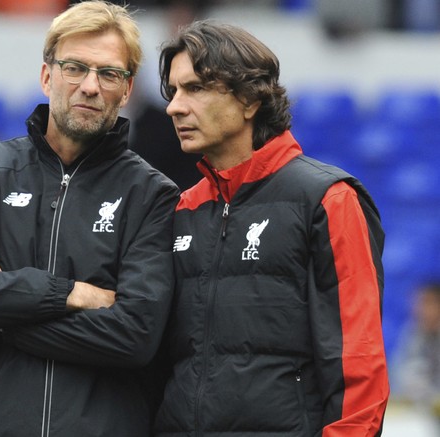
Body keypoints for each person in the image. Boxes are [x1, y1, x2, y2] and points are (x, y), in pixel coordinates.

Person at [0, 2, 179, 436]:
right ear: (47, 76)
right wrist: (72, 293)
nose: (90, 86)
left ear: (127, 89)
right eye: (75, 68)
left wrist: (1, 311)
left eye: (109, 73)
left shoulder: (151, 194)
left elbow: (134, 336)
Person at [153, 20, 389, 436]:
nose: (175, 106)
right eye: (173, 91)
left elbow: (358, 357)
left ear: (249, 99)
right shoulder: (183, 208)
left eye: (195, 88)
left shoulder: (327, 199)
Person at [391, 281, 440, 410]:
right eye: (419, 303)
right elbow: (402, 372)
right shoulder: (413, 332)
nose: (421, 309)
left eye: (428, 302)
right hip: (422, 407)